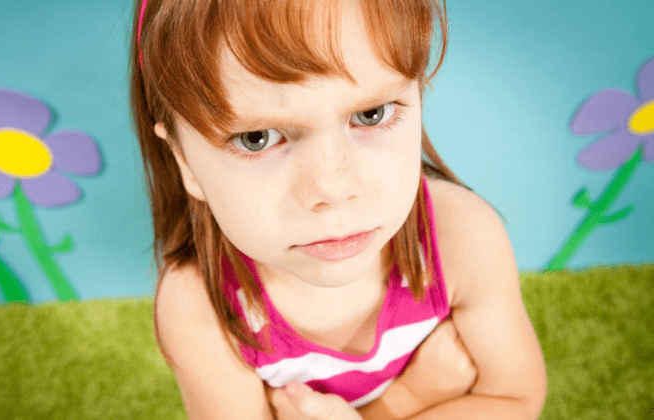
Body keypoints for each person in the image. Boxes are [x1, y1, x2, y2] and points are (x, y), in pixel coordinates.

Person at [130, 0, 547, 418]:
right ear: (184, 160)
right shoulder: (201, 306)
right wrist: (410, 398)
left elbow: (514, 399)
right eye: (257, 137)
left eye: (371, 114)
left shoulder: (461, 239)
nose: (333, 188)